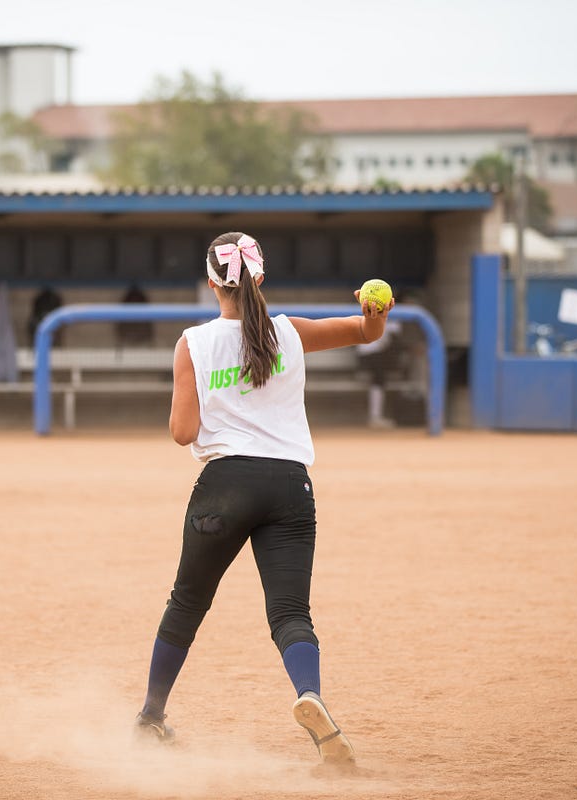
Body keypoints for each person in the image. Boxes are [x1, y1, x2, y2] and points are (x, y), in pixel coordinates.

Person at [133, 231, 394, 766]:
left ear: (212, 282)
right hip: (288, 486)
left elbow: (183, 433)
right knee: (291, 612)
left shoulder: (193, 344)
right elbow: (364, 332)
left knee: (186, 604)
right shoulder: (290, 333)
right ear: (261, 276)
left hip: (224, 486)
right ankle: (310, 696)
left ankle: (150, 719)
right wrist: (376, 312)